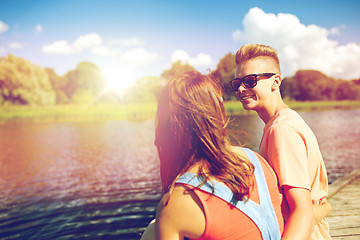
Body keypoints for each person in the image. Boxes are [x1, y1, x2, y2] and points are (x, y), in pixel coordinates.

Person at [141, 71, 286, 239]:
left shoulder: (176, 204)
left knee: (151, 232)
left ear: (169, 126)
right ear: (217, 114)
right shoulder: (256, 160)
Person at [232, 44, 331, 240]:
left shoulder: (281, 130)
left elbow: (301, 211)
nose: (242, 88)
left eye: (250, 81)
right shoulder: (283, 121)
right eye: (237, 83)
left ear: (275, 82)